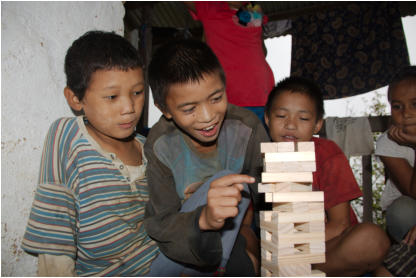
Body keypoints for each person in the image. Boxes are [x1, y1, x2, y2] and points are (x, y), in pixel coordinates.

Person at [21, 30, 163, 276]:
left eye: (138, 92)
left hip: (161, 265)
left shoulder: (150, 148)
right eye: (112, 96)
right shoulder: (67, 136)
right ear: (76, 99)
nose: (129, 108)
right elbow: (55, 231)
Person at [144, 38, 270, 276]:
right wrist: (203, 219)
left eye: (216, 98)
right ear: (165, 109)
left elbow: (268, 200)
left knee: (246, 263)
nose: (207, 117)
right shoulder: (160, 145)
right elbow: (162, 223)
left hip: (228, 244)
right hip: (180, 250)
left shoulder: (247, 129)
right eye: (189, 109)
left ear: (225, 87)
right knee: (227, 179)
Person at [264, 76, 390, 276]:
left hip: (327, 245)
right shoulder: (262, 161)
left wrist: (292, 248)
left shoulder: (327, 154)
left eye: (303, 118)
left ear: (317, 125)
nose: (291, 125)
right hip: (281, 250)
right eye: (281, 116)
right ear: (267, 119)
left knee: (372, 239)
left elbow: (340, 224)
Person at [185, 1, 275, 120]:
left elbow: (262, 50)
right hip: (232, 93)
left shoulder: (254, 9)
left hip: (260, 90)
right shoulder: (210, 8)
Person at [375, 66, 416, 276]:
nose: (406, 113)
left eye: (415, 104)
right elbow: (412, 191)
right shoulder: (388, 143)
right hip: (410, 215)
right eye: (397, 106)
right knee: (403, 210)